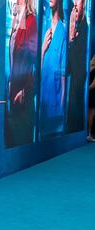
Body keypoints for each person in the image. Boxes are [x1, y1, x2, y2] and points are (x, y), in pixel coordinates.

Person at [5, 0, 38, 147]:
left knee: (20, 140)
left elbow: (34, 62)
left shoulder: (31, 21)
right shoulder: (18, 20)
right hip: (13, 91)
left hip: (23, 94)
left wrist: (25, 91)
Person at [39, 0, 67, 139]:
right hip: (41, 99)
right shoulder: (43, 26)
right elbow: (36, 66)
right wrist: (43, 50)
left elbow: (63, 77)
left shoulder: (63, 32)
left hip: (55, 104)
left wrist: (61, 110)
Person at [67, 0, 88, 133]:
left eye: (78, 0)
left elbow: (78, 64)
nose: (75, 3)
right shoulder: (75, 26)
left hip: (80, 85)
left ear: (84, 3)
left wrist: (72, 38)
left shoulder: (85, 28)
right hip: (73, 84)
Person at [87, 55, 95, 142]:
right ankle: (89, 134)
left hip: (89, 93)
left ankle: (89, 133)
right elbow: (93, 84)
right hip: (92, 93)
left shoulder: (88, 69)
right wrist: (87, 89)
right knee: (92, 113)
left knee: (90, 113)